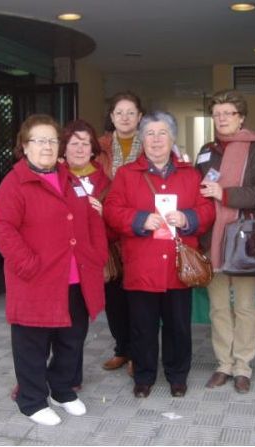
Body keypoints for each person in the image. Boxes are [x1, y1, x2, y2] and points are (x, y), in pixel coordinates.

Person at [0, 114, 107, 426]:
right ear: (25, 147)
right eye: (38, 140)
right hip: (36, 280)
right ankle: (31, 400)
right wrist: (27, 263)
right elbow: (1, 227)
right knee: (32, 344)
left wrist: (97, 255)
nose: (46, 146)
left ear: (60, 147)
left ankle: (62, 389)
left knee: (72, 339)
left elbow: (90, 218)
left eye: (52, 140)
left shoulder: (72, 179)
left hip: (75, 278)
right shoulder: (15, 183)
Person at [103, 111, 215, 398]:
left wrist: (187, 216)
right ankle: (144, 376)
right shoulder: (127, 175)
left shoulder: (190, 174)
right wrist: (140, 220)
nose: (155, 139)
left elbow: (207, 210)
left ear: (173, 138)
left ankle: (178, 376)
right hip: (142, 266)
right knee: (143, 327)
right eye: (150, 133)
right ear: (141, 138)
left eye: (162, 133)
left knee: (179, 326)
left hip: (179, 267)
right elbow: (112, 210)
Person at [196, 89, 255, 393]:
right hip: (211, 238)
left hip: (244, 238)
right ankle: (223, 364)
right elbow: (196, 188)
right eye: (217, 114)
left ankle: (243, 365)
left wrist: (225, 194)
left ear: (241, 117)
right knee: (218, 307)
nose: (221, 119)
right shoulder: (207, 150)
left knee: (244, 307)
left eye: (228, 113)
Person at [60, 119, 111, 388]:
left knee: (77, 323)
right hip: (57, 262)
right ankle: (34, 377)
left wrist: (105, 215)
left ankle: (71, 378)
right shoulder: (54, 175)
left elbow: (116, 218)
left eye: (85, 144)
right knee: (51, 324)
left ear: (93, 149)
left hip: (87, 261)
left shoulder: (103, 180)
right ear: (64, 147)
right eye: (74, 143)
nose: (80, 149)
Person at [97, 91, 144, 375]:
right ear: (112, 117)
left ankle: (140, 351)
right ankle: (122, 349)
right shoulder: (99, 147)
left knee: (139, 297)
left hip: (139, 230)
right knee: (113, 296)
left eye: (131, 112)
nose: (125, 117)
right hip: (108, 231)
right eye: (119, 112)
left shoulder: (151, 143)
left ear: (140, 116)